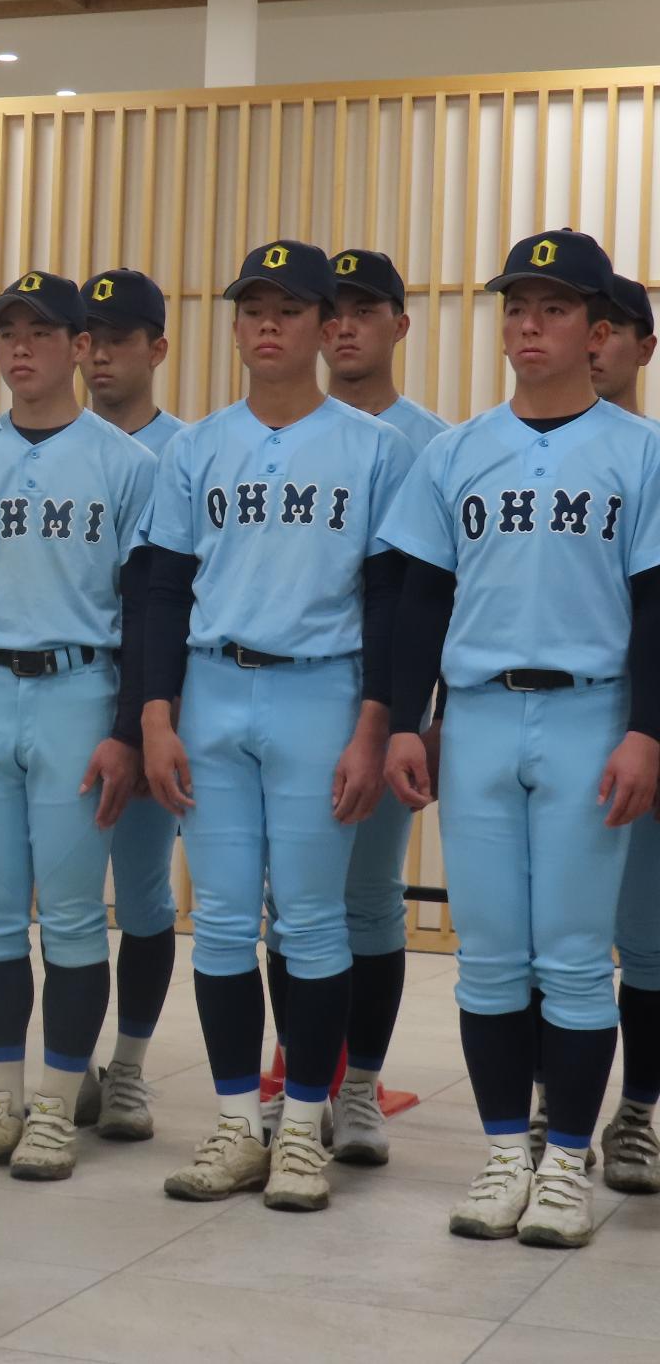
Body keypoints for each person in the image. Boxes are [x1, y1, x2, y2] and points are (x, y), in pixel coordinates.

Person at [383, 229, 660, 1247]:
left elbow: (654, 606)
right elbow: (419, 600)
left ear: (597, 330)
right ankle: (506, 1151)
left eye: (550, 307)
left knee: (578, 958)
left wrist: (644, 732)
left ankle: (563, 1165)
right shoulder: (457, 450)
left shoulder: (638, 454)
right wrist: (410, 723)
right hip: (480, 715)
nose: (527, 324)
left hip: (589, 711)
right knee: (491, 955)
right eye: (515, 306)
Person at [143, 239, 411, 1212]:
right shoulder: (194, 446)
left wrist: (374, 721)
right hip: (210, 688)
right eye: (250, 308)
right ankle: (231, 1124)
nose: (266, 324)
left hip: (319, 689)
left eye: (288, 310)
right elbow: (163, 589)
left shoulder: (372, 447)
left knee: (309, 922)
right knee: (216, 920)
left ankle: (302, 1127)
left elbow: (387, 598)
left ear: (319, 325)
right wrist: (153, 714)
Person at [0, 270, 152, 1183]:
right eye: (6, 332)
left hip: (75, 689)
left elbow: (148, 608)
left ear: (80, 346)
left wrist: (132, 727)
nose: (20, 347)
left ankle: (57, 1109)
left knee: (67, 918)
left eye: (42, 331)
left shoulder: (125, 463)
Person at [257, 249, 449, 1163]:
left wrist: (419, 713)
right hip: (286, 696)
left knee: (369, 903)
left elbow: (435, 599)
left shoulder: (431, 444)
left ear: (399, 326)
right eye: (330, 309)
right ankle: (297, 1082)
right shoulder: (279, 434)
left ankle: (361, 1089)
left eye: (364, 310)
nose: (343, 325)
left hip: (381, 705)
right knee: (284, 907)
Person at [76, 268, 185, 1140]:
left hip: (145, 703)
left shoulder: (183, 454)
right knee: (65, 899)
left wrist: (156, 714)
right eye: (91, 335)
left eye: (121, 336)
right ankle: (66, 1063)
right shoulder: (45, 444)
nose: (102, 351)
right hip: (60, 699)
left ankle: (131, 1068)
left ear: (157, 345)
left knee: (145, 899)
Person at [592, 273, 660, 1196]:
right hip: (543, 718)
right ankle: (540, 1097)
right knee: (541, 939)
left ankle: (639, 1108)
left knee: (645, 938)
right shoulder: (503, 452)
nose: (597, 342)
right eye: (583, 322)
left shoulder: (651, 456)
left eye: (614, 329)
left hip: (637, 719)